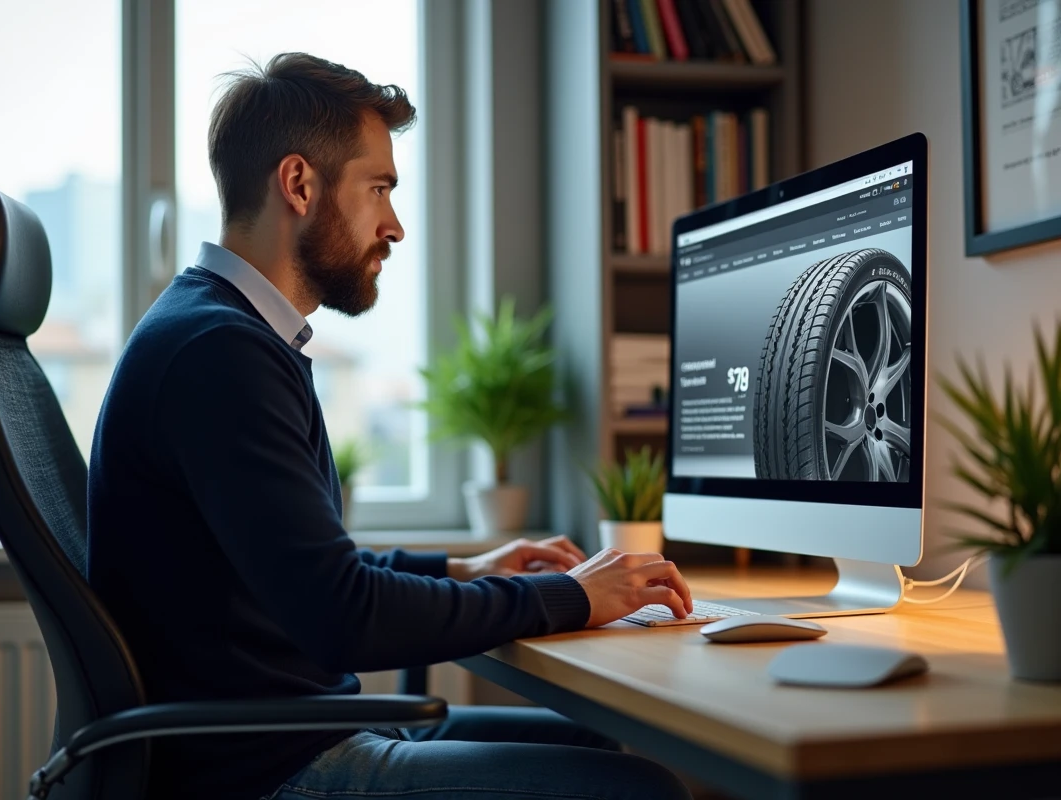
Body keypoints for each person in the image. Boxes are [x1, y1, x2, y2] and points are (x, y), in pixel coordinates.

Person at [87, 52, 693, 800]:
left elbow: (308, 566)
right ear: (299, 184)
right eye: (379, 189)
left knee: (589, 743)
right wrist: (574, 596)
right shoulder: (219, 354)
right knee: (640, 792)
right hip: (271, 769)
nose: (395, 225)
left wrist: (464, 570)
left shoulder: (221, 332)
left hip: (293, 731)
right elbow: (342, 615)